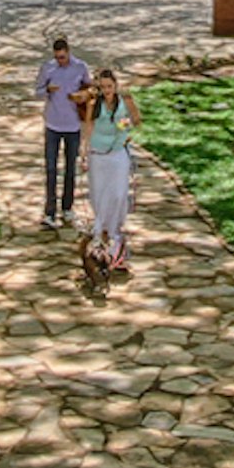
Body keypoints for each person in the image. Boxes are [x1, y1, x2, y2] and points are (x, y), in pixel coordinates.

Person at [75, 62, 141, 291]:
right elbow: (89, 127)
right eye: (103, 87)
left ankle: (115, 233)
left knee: (118, 193)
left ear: (115, 85)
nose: (107, 90)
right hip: (98, 154)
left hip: (118, 152)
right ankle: (99, 231)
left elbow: (136, 120)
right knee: (99, 194)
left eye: (110, 86)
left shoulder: (125, 101)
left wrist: (127, 126)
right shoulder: (96, 104)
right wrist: (84, 151)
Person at [35, 35, 92, 229]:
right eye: (58, 57)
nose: (61, 60)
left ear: (68, 52)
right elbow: (37, 90)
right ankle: (49, 212)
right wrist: (48, 90)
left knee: (70, 169)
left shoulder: (80, 67)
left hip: (73, 125)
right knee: (51, 169)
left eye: (63, 57)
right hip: (53, 124)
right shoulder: (48, 68)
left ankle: (67, 208)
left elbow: (90, 89)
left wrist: (81, 96)